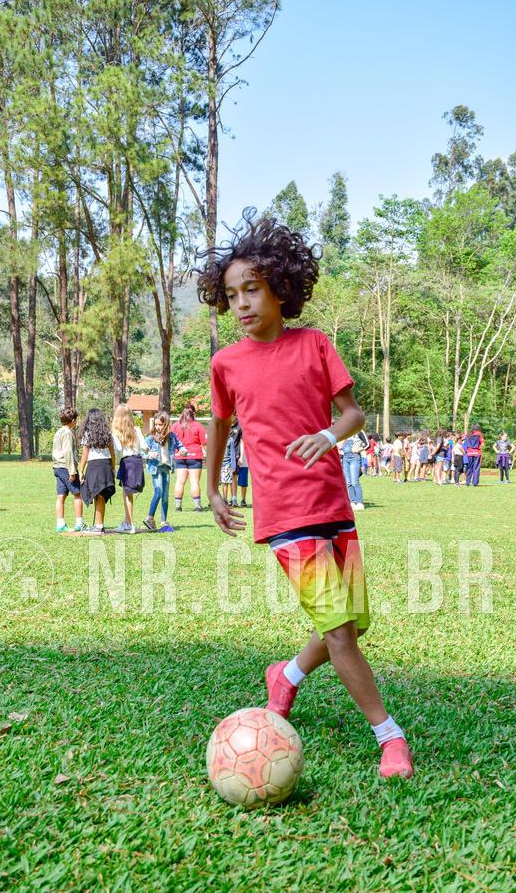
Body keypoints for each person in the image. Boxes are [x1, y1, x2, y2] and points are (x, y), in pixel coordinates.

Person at [198, 212, 412, 779]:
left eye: (253, 289)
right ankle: (389, 736)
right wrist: (210, 487)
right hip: (284, 515)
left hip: (333, 505)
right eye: (231, 294)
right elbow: (219, 426)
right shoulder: (226, 363)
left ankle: (287, 674)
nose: (242, 303)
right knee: (340, 630)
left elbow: (353, 414)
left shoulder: (315, 344)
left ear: (281, 288)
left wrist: (328, 433)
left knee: (353, 622)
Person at [144, 411, 184, 532]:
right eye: (156, 425)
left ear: (166, 425)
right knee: (158, 491)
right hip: (155, 468)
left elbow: (181, 446)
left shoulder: (171, 437)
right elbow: (142, 452)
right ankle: (150, 518)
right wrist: (150, 454)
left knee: (165, 496)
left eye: (160, 424)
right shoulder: (150, 438)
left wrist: (183, 451)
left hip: (166, 468)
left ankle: (163, 521)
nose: (157, 427)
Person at [112, 403, 148, 532]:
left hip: (126, 462)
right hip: (137, 461)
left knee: (127, 494)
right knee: (128, 494)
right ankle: (127, 522)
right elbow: (145, 447)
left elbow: (118, 450)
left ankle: (130, 525)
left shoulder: (116, 433)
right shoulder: (136, 430)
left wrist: (113, 464)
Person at [78, 408, 115, 534]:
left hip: (94, 466)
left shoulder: (87, 434)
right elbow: (112, 452)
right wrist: (113, 467)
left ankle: (99, 526)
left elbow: (85, 454)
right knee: (101, 495)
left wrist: (81, 470)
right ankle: (99, 524)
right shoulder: (107, 433)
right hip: (106, 465)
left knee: (97, 495)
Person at [52, 406, 85, 532]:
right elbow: (68, 452)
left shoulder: (58, 432)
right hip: (66, 467)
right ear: (72, 420)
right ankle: (79, 523)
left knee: (61, 496)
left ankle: (60, 524)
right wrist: (72, 471)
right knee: (78, 494)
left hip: (57, 467)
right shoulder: (68, 433)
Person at [172, 403, 206, 512]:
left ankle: (178, 507)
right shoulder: (198, 425)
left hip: (179, 456)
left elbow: (171, 441)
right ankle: (197, 506)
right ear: (194, 413)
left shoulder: (176, 425)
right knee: (194, 481)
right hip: (195, 456)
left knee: (179, 481)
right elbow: (204, 442)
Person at [339, 430, 368, 509]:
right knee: (348, 482)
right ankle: (352, 502)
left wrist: (358, 450)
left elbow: (367, 445)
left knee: (355, 482)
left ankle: (359, 502)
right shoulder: (346, 431)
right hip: (345, 458)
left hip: (355, 458)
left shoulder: (359, 431)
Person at [238, 435, 250, 506]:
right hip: (234, 460)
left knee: (243, 482)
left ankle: (243, 500)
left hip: (244, 462)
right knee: (233, 481)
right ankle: (234, 499)